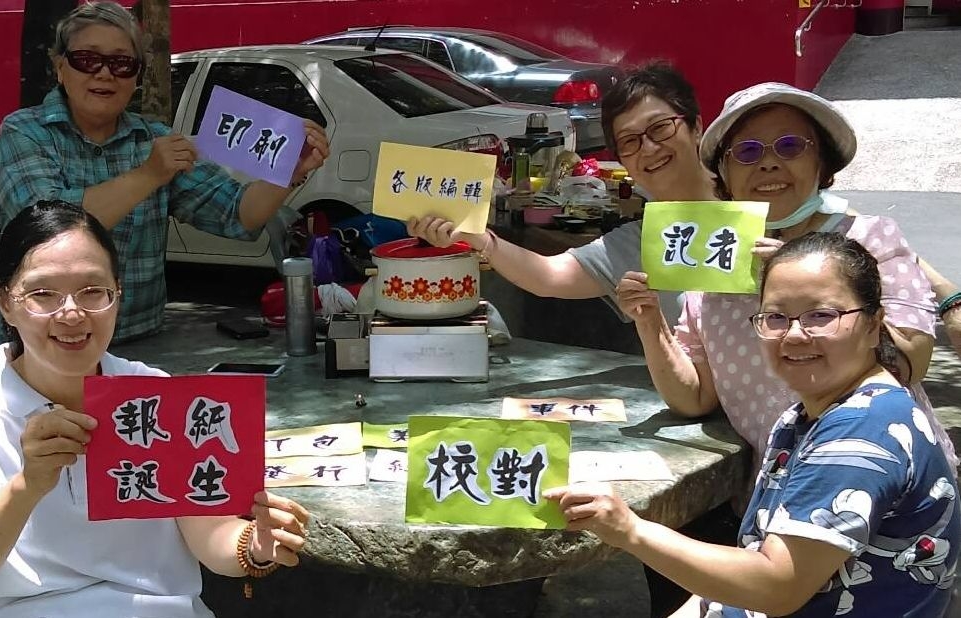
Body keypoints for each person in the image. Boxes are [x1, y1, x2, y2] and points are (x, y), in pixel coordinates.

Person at [0, 201, 310, 616]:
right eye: (42, 294)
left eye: (92, 291)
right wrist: (26, 487)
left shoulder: (155, 393)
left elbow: (209, 533)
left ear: (117, 294)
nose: (71, 313)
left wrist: (254, 544)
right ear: (5, 302)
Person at [549, 232, 960, 617]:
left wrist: (629, 529)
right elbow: (759, 556)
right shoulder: (809, 413)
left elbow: (777, 584)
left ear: (873, 325)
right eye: (776, 317)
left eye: (821, 315)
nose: (794, 335)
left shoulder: (860, 432)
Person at [614, 82, 955, 468]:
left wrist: (799, 280)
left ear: (821, 162)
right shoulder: (713, 263)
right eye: (747, 151)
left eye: (790, 146)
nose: (768, 163)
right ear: (724, 172)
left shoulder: (871, 239)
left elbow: (912, 361)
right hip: (783, 488)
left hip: (888, 479)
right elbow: (694, 397)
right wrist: (650, 322)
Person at [0, 1, 329, 358]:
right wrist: (148, 175)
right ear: (60, 67)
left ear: (137, 77)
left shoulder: (155, 139)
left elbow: (237, 214)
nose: (104, 73)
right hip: (34, 347)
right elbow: (47, 232)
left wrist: (288, 172)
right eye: (87, 59)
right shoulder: (24, 131)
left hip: (133, 342)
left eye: (121, 63)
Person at [409, 61, 716, 324]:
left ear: (697, 127)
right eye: (629, 141)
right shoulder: (639, 241)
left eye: (660, 128)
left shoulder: (744, 199)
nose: (648, 148)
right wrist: (477, 237)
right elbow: (549, 276)